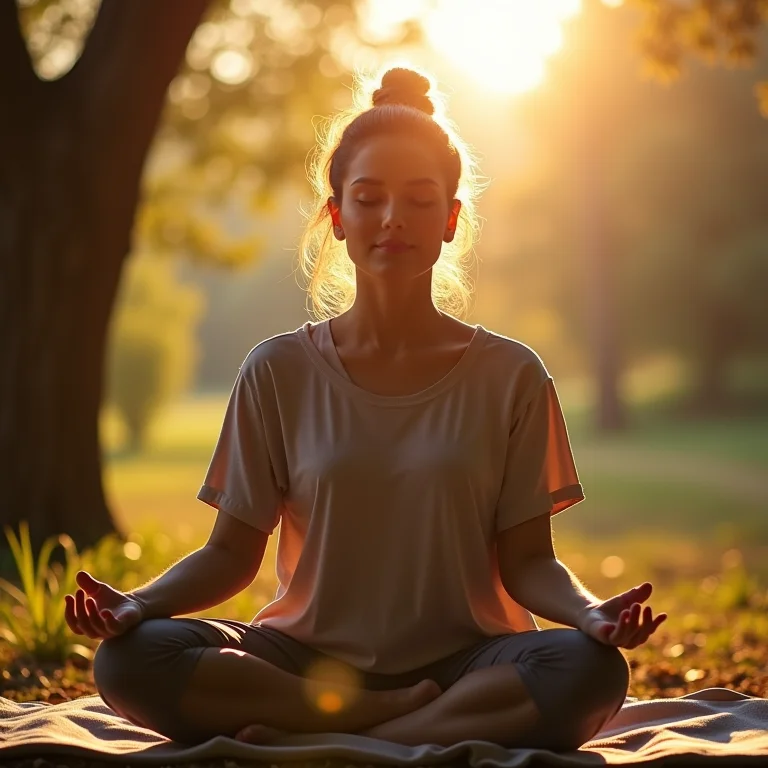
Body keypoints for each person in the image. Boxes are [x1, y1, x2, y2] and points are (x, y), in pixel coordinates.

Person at [64, 66, 667, 750]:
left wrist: (591, 616)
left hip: (468, 662)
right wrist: (138, 604)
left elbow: (528, 563)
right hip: (302, 661)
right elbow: (232, 552)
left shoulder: (512, 375)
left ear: (449, 220)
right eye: (369, 198)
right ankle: (385, 728)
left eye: (417, 200)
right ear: (337, 217)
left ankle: (340, 735)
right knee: (131, 659)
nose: (391, 220)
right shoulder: (277, 370)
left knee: (588, 672)